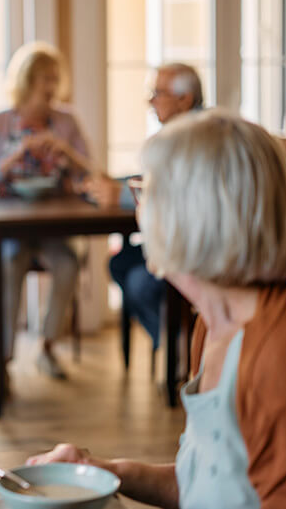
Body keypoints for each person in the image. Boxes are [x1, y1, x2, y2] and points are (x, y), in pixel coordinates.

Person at [29, 110, 286, 508]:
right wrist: (99, 471)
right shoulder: (215, 327)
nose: (140, 210)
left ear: (196, 221)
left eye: (148, 194)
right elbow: (210, 485)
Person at [0, 41, 91, 380]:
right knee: (8, 264)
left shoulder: (66, 123)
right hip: (9, 230)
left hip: (54, 229)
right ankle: (3, 361)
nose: (52, 88)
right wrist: (13, 157)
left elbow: (90, 173)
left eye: (55, 79)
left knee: (68, 263)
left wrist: (67, 152)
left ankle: (48, 348)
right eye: (45, 80)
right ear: (26, 82)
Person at [86, 63, 203, 355]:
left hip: (197, 246)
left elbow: (174, 193)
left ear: (184, 99)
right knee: (120, 263)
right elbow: (156, 180)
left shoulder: (198, 136)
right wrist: (114, 184)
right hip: (179, 240)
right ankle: (174, 343)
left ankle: (181, 349)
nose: (150, 101)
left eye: (158, 93)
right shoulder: (179, 133)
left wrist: (119, 193)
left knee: (139, 280)